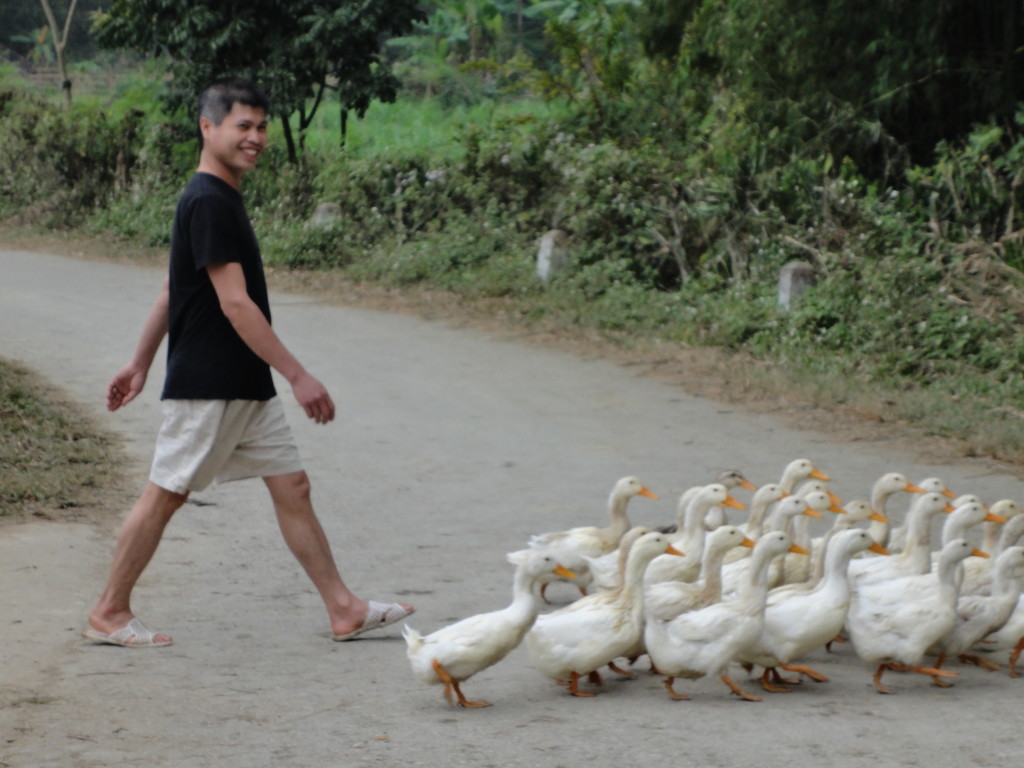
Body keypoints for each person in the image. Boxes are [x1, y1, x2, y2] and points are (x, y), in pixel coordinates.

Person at [84, 78, 413, 647]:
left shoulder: (217, 196)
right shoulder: (209, 199)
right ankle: (109, 611)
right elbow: (234, 303)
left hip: (242, 382)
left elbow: (173, 288)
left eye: (261, 126)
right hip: (210, 383)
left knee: (294, 487)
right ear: (207, 128)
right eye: (243, 125)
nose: (256, 137)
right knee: (165, 493)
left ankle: (343, 608)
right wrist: (298, 374)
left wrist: (138, 362)